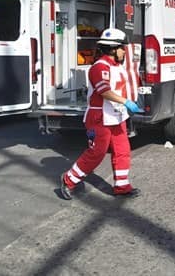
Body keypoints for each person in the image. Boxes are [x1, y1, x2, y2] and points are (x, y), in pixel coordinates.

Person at [60, 28, 144, 199]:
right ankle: (69, 179)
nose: (124, 51)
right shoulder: (99, 68)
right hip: (99, 118)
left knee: (122, 151)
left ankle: (122, 186)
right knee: (97, 153)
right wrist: (125, 102)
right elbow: (104, 91)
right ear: (113, 49)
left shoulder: (117, 67)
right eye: (122, 48)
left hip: (116, 116)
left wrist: (129, 101)